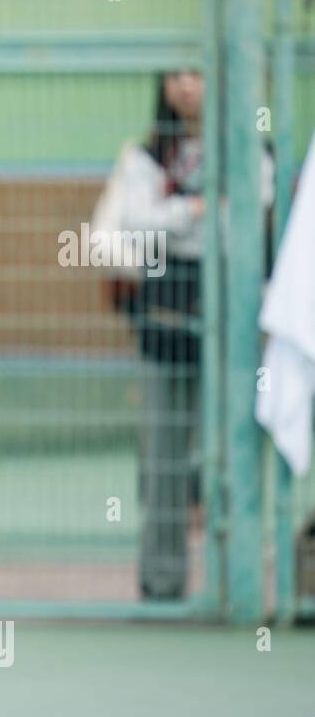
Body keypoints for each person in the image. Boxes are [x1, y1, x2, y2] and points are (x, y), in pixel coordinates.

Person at [104, 70, 273, 600]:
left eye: (198, 74)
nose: (186, 86)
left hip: (233, 318)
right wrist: (195, 209)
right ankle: (162, 584)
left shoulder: (251, 149)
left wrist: (173, 217)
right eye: (175, 76)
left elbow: (246, 218)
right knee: (163, 461)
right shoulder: (145, 156)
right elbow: (133, 223)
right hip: (165, 317)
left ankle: (235, 585)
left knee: (231, 452)